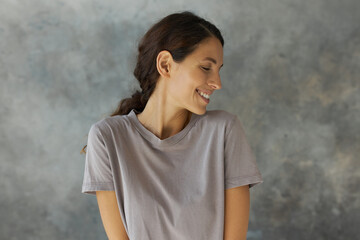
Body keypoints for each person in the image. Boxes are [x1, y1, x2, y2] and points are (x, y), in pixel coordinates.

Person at [80, 10, 263, 240]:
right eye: (206, 68)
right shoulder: (107, 138)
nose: (217, 83)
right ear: (165, 64)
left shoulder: (224, 131)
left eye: (219, 71)